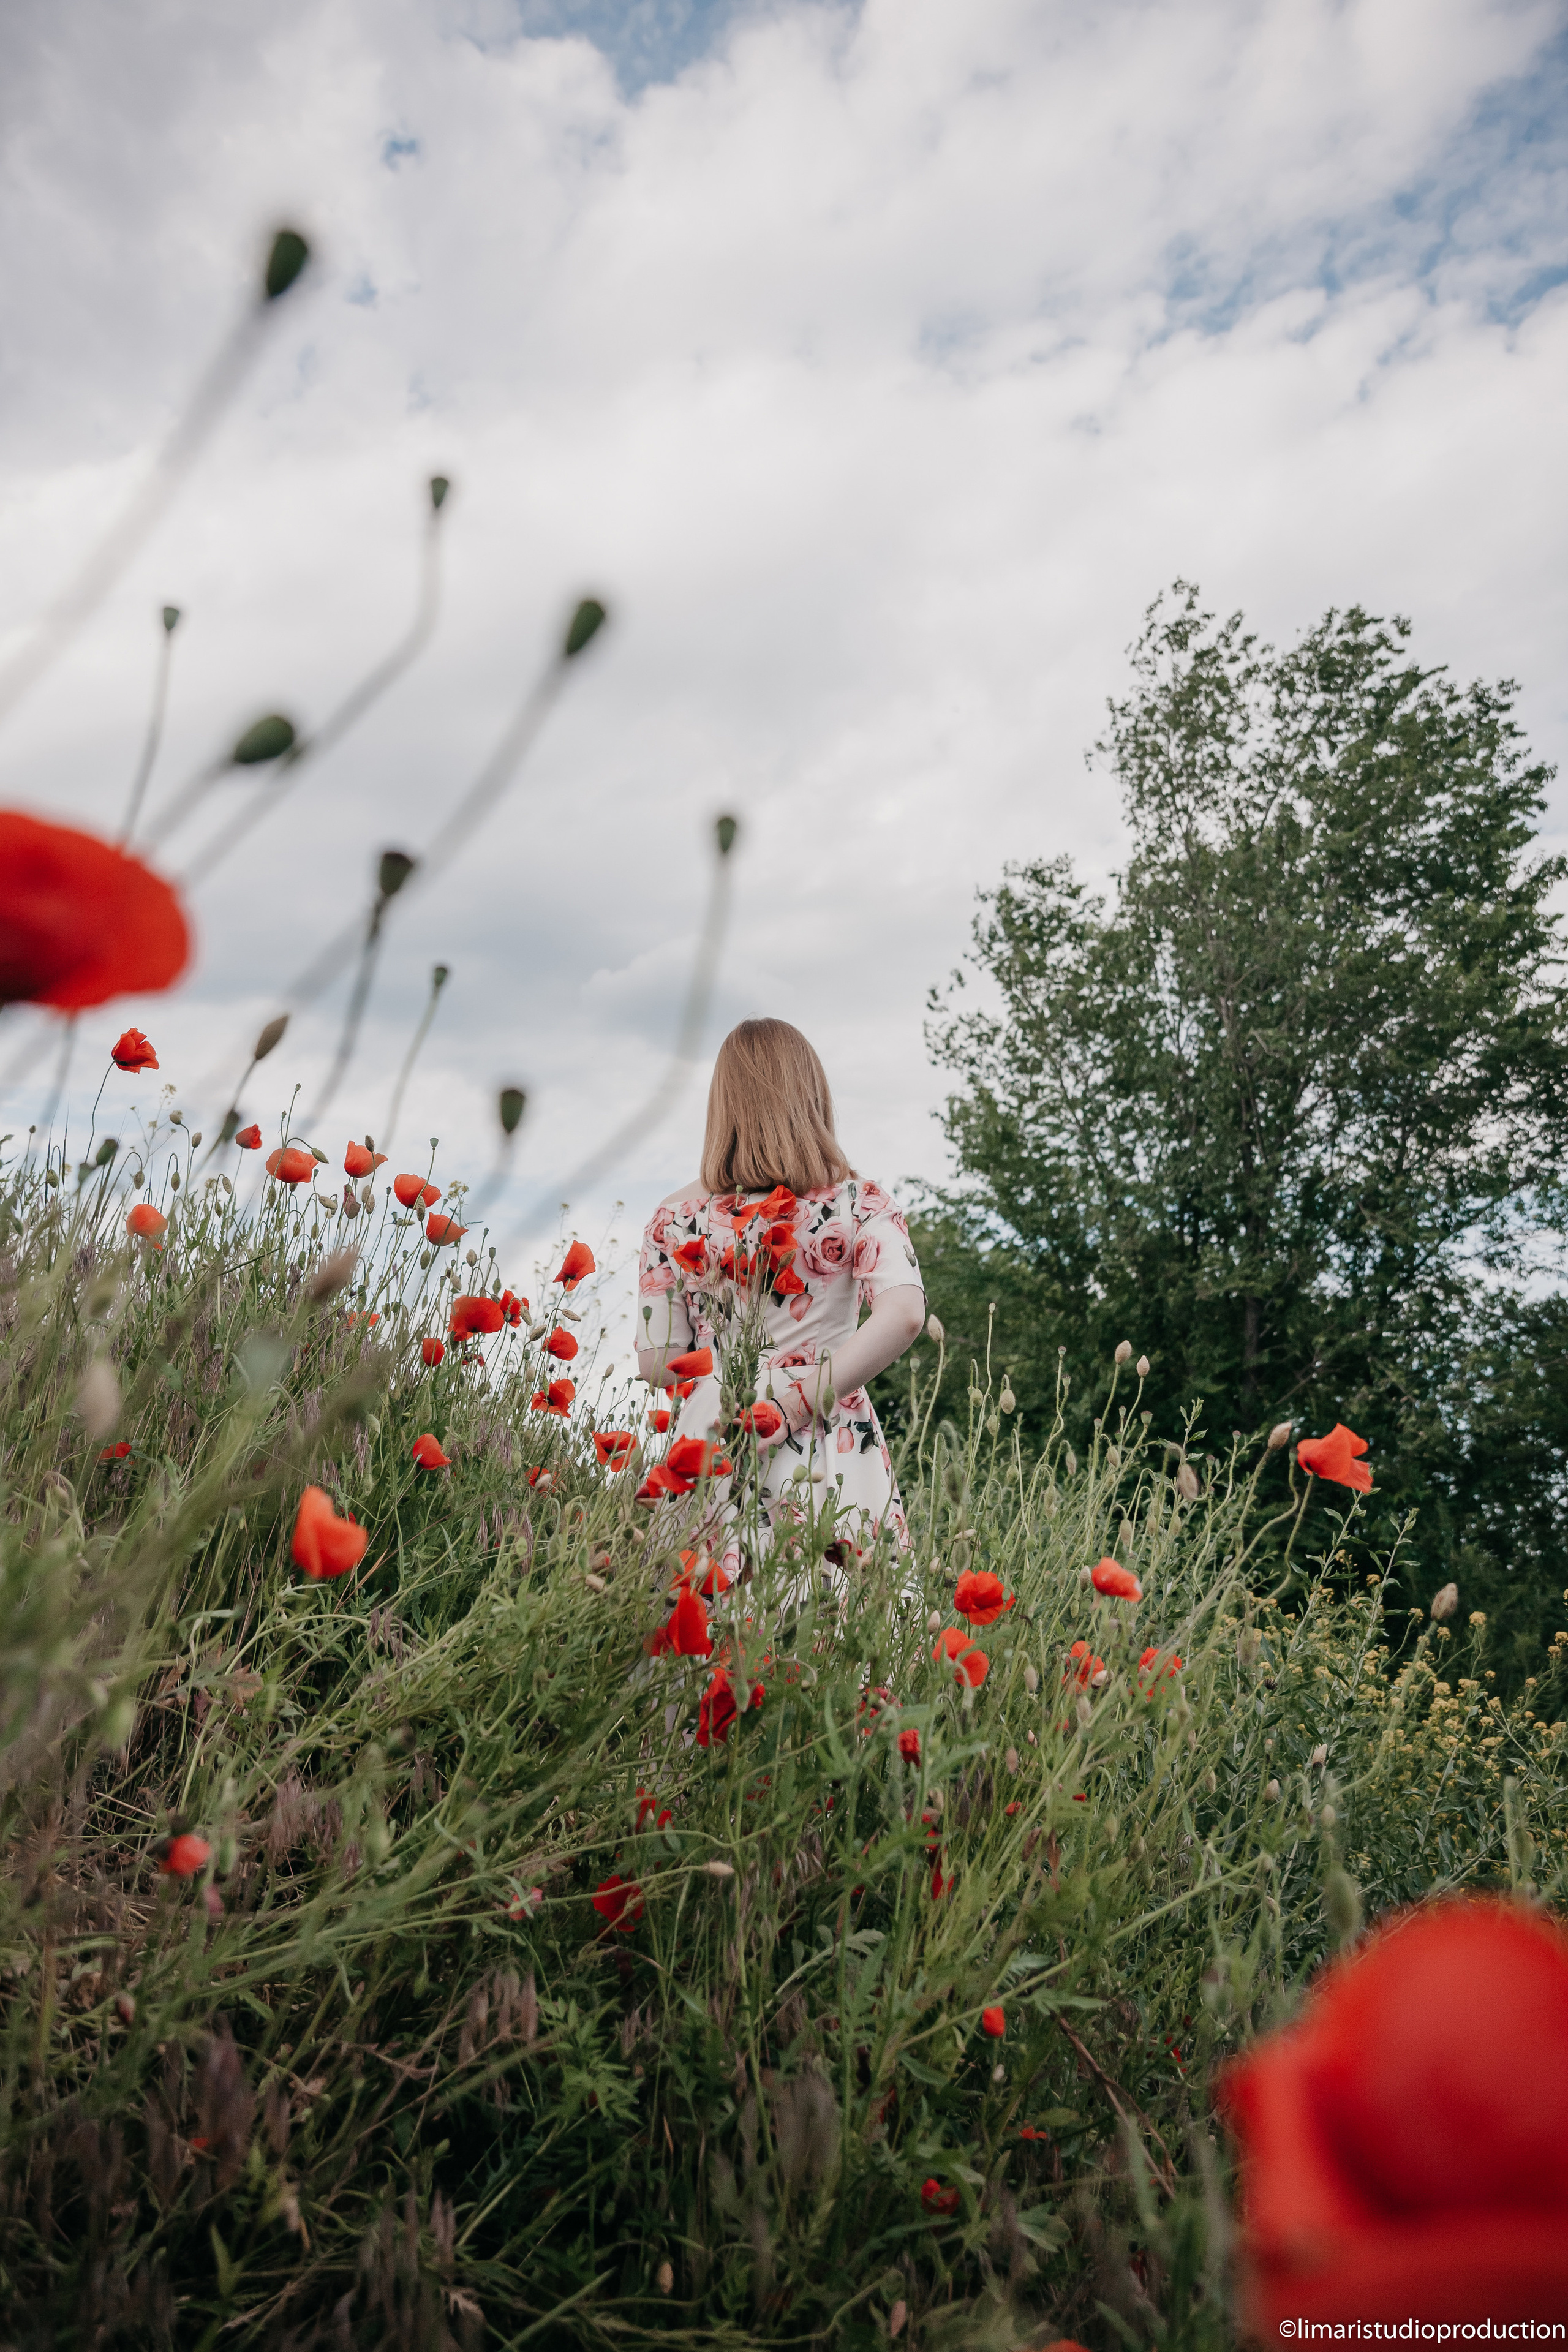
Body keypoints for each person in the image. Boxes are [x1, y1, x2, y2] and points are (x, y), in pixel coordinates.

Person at [636, 1018, 926, 1578]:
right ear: (810, 1095)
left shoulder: (670, 1219)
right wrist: (796, 1397)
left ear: (723, 1104)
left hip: (712, 1432)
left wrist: (726, 1376)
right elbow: (907, 1313)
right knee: (837, 1625)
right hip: (825, 1430)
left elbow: (655, 1363)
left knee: (707, 1626)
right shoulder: (856, 1201)